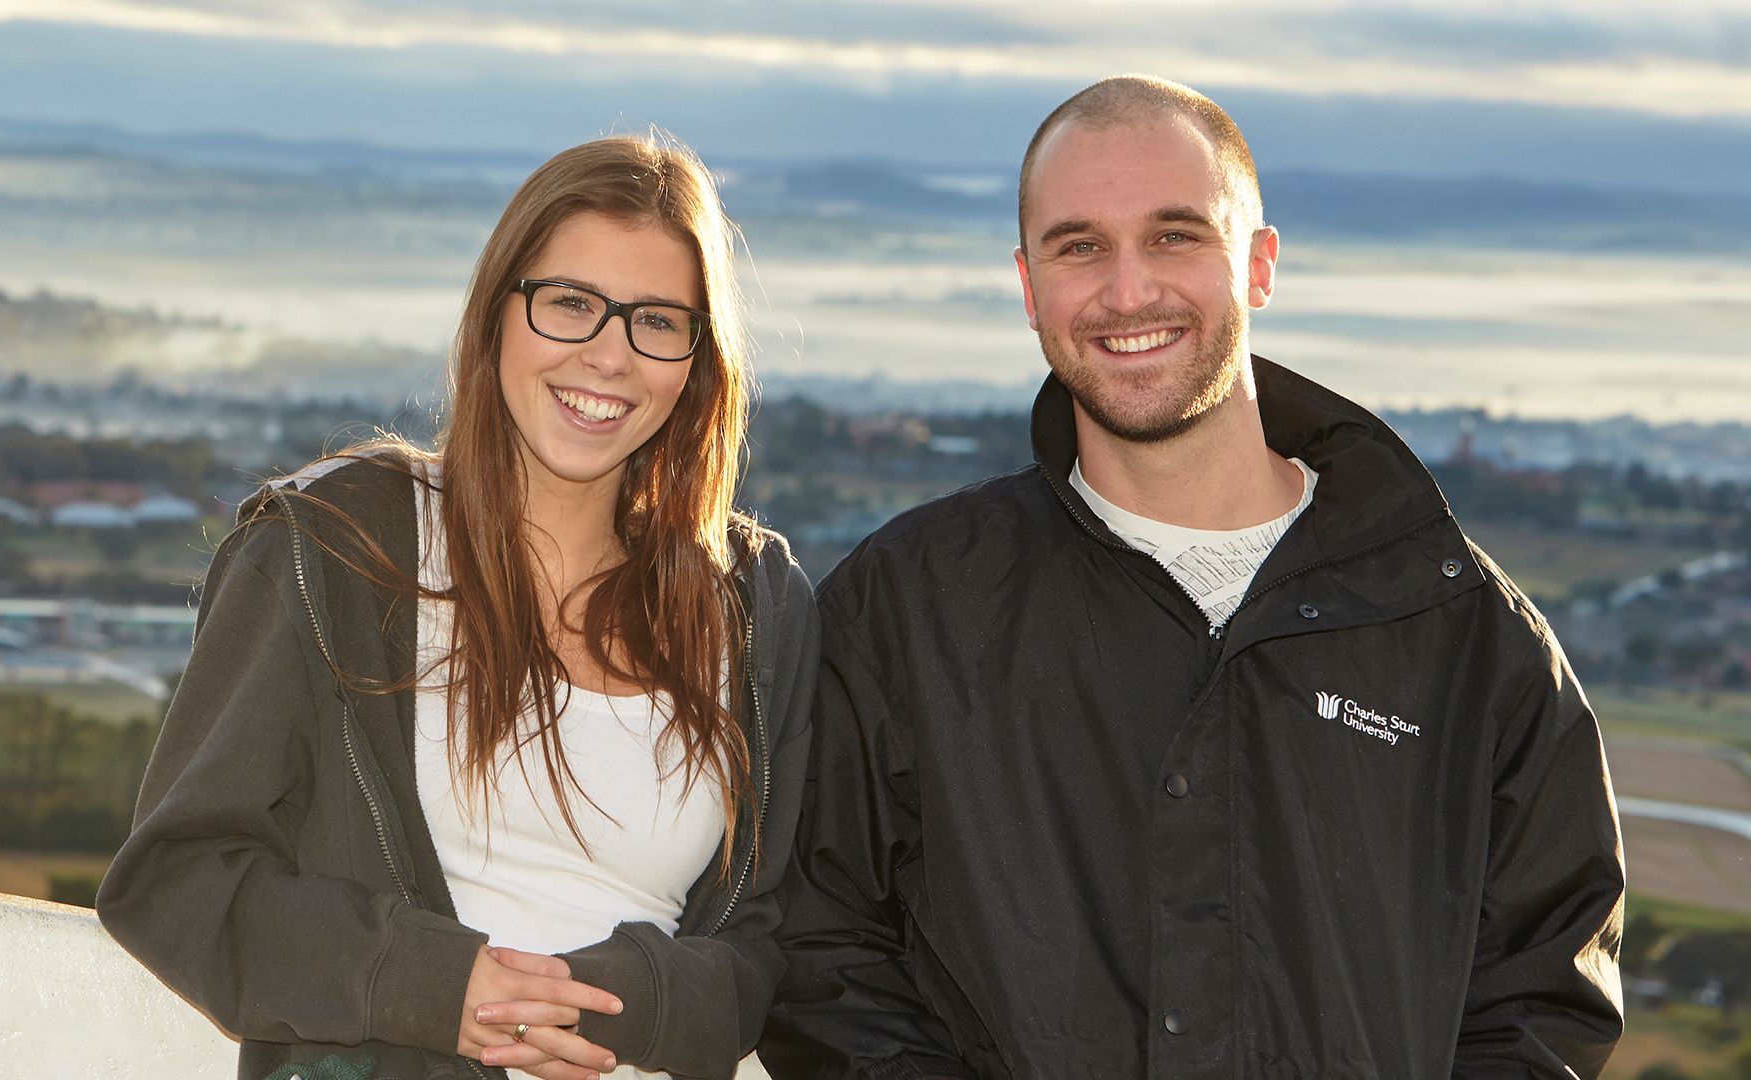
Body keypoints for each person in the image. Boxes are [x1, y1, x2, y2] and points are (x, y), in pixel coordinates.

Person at [760, 75, 1624, 1078]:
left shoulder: (1465, 633)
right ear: (1029, 284)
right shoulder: (907, 607)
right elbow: (819, 955)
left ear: (1257, 264)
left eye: (1176, 235)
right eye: (1080, 245)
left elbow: (1542, 998)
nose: (1129, 292)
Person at [98, 133, 819, 1080]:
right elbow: (177, 878)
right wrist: (439, 987)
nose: (609, 356)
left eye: (656, 320)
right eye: (570, 304)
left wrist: (628, 1002)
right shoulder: (335, 545)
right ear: (496, 316)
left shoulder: (754, 602)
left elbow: (778, 934)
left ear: (697, 358)